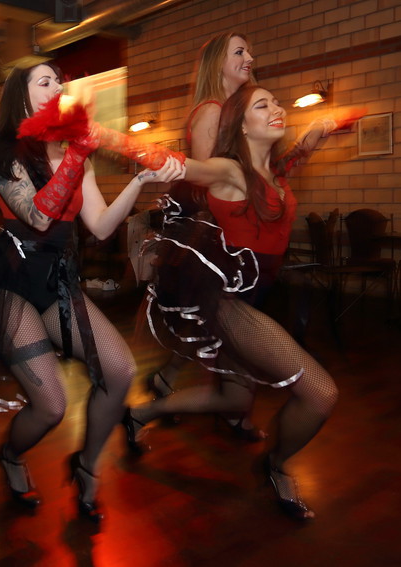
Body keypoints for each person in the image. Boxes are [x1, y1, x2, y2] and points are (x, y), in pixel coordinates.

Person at [0, 62, 183, 524]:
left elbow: (102, 226)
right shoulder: (3, 154)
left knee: (120, 372)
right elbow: (37, 215)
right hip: (12, 282)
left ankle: (87, 466)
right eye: (45, 81)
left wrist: (139, 180)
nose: (57, 88)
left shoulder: (74, 154)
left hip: (56, 280)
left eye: (60, 82)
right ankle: (11, 455)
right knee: (51, 407)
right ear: (22, 95)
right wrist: (79, 153)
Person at [127, 85, 361, 520]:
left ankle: (140, 414)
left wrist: (318, 131)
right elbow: (188, 166)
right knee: (320, 393)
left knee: (235, 401)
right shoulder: (230, 170)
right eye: (262, 104)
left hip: (258, 297)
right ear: (242, 126)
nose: (277, 108)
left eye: (277, 101)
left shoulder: (272, 171)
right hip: (228, 303)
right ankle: (277, 466)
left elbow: (294, 158)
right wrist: (106, 138)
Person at [146, 32, 266, 440]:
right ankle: (231, 409)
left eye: (249, 50)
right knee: (228, 321)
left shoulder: (235, 111)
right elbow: (204, 181)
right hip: (210, 233)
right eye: (240, 51)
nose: (250, 57)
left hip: (231, 230)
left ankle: (170, 383)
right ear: (219, 63)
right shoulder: (211, 111)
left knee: (213, 323)